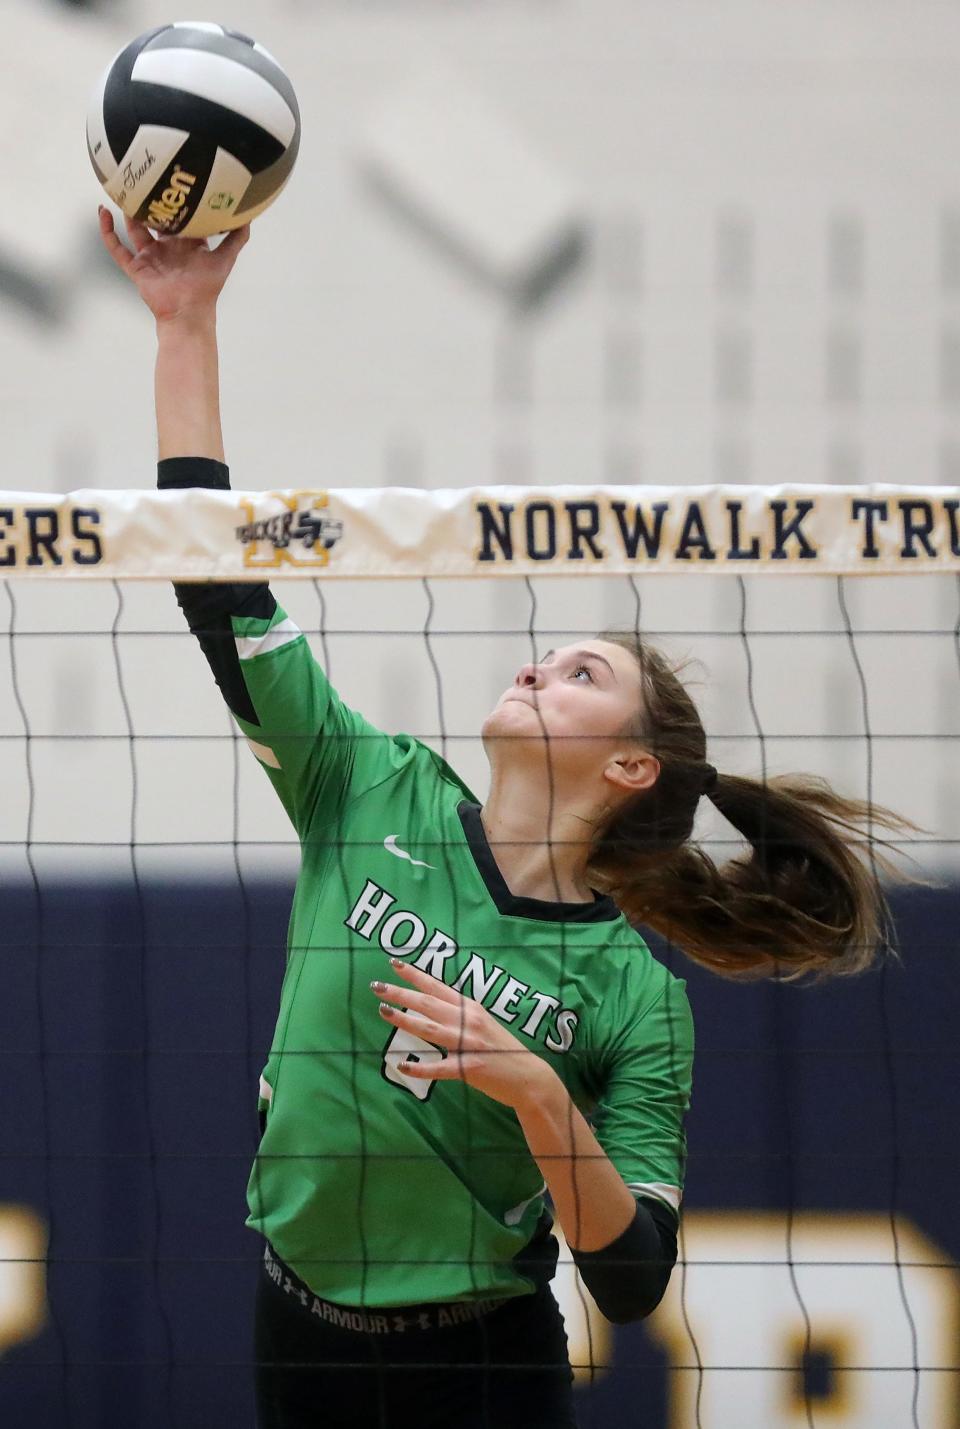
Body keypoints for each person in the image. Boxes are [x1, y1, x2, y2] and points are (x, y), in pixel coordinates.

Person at [97, 208, 906, 1429]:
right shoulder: (370, 787)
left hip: (480, 1364)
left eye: (582, 675)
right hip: (294, 1322)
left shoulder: (636, 996)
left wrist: (538, 1092)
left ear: (633, 765)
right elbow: (217, 584)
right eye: (548, 656)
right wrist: (186, 323)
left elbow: (633, 1281)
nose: (538, 670)